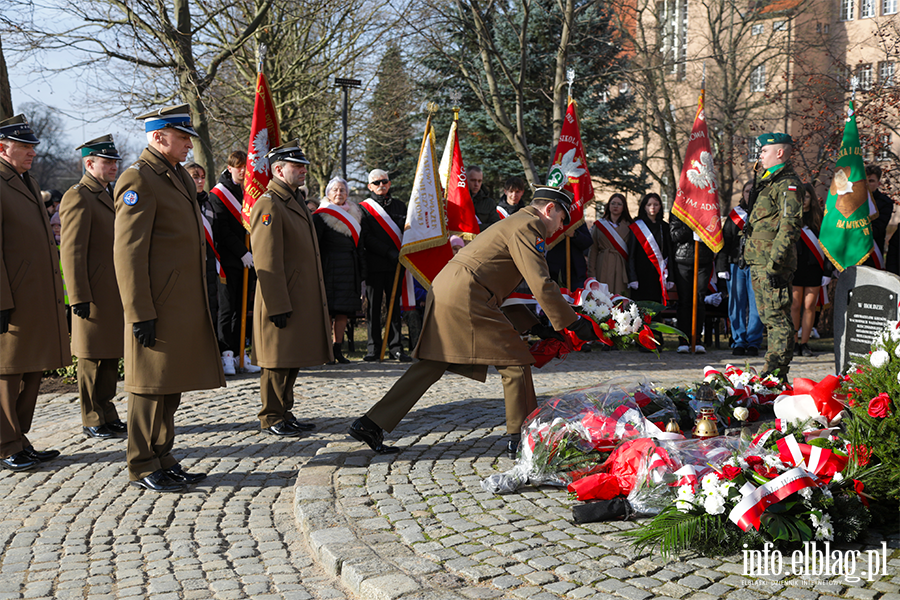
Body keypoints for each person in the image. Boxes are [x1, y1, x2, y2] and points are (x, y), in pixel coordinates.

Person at [348, 187, 598, 459]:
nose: (561, 226)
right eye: (562, 218)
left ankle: (370, 424)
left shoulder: (516, 223)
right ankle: (522, 436)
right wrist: (571, 324)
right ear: (549, 209)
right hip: (468, 293)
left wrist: (537, 327)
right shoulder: (530, 226)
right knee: (514, 360)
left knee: (433, 363)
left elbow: (504, 286)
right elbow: (541, 282)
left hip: (451, 288)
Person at [114, 104, 225, 492]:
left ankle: (163, 456)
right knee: (149, 387)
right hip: (156, 304)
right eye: (182, 139)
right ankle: (142, 463)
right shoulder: (139, 179)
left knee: (170, 385)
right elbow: (128, 253)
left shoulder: (174, 175)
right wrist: (139, 310)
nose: (188, 147)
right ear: (158, 137)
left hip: (180, 302)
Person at [249, 140, 332, 436]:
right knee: (276, 360)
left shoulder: (294, 200)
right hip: (280, 296)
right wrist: (277, 304)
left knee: (290, 357)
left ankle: (284, 410)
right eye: (297, 167)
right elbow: (267, 260)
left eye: (304, 166)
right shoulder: (269, 204)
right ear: (278, 170)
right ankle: (271, 415)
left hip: (296, 294)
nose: (303, 171)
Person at [0, 114, 68, 472]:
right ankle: (5, 443)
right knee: (8, 373)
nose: (31, 153)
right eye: (24, 147)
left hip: (35, 296)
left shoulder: (26, 181)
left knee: (32, 370)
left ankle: (20, 439)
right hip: (11, 298)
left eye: (32, 147)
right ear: (2, 147)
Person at [59, 134, 127, 440]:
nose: (114, 166)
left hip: (112, 291)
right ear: (89, 163)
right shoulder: (79, 196)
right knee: (91, 359)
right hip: (93, 292)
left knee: (110, 355)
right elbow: (71, 251)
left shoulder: (107, 193)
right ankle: (91, 416)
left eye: (115, 161)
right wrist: (78, 296)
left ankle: (107, 412)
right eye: (107, 161)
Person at [743, 132, 803, 380]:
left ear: (780, 153)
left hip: (771, 264)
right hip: (759, 261)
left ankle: (776, 374)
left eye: (764, 151)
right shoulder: (768, 182)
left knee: (778, 318)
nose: (760, 156)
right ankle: (771, 372)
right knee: (769, 317)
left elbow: (789, 227)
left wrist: (775, 264)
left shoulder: (788, 184)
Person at [313, 177, 365, 364]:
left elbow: (360, 246)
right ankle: (325, 350)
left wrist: (361, 270)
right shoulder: (319, 216)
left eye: (342, 190)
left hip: (349, 269)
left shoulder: (356, 214)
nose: (339, 193)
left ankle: (338, 349)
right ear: (328, 193)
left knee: (343, 311)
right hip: (327, 268)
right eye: (335, 190)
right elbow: (315, 246)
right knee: (327, 311)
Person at [360, 169, 410, 362]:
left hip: (396, 265)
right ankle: (373, 348)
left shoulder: (400, 205)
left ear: (389, 183)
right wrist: (389, 252)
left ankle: (396, 347)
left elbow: (408, 229)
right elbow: (367, 237)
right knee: (373, 307)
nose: (381, 185)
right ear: (369, 186)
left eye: (385, 181)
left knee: (394, 307)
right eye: (377, 182)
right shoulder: (363, 208)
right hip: (375, 263)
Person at [211, 150, 254, 375]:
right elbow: (223, 230)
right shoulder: (218, 194)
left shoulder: (249, 192)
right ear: (230, 168)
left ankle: (240, 353)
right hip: (228, 259)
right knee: (227, 309)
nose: (243, 171)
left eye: (246, 167)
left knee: (242, 309)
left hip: (247, 260)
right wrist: (241, 251)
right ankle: (226, 353)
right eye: (239, 167)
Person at [717, 181, 763, 356]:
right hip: (736, 264)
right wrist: (722, 266)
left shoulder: (764, 214)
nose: (749, 194)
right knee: (736, 304)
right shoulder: (734, 215)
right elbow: (725, 242)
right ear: (742, 194)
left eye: (753, 191)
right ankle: (738, 341)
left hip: (757, 265)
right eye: (746, 191)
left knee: (757, 305)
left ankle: (753, 342)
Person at [791, 183, 831, 357]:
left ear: (812, 199)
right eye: (800, 197)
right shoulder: (791, 217)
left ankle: (804, 343)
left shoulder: (819, 219)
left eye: (806, 196)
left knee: (809, 306)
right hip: (795, 268)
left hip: (814, 269)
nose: (804, 200)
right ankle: (792, 343)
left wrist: (828, 272)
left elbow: (829, 246)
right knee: (794, 305)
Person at [185, 161, 225, 334]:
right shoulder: (182, 203)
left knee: (210, 308)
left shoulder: (208, 204)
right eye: (195, 177)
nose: (200, 181)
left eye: (202, 177)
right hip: (190, 264)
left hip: (209, 262)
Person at [669, 211, 715, 354]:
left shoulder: (708, 207)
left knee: (699, 300)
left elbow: (715, 231)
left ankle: (697, 339)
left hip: (703, 260)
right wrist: (691, 227)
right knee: (685, 301)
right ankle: (683, 339)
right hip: (683, 260)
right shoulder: (678, 209)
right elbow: (675, 235)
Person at [627, 193, 674, 304]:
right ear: (644, 207)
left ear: (660, 207)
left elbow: (669, 253)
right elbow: (631, 255)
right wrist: (632, 277)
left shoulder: (664, 227)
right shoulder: (636, 226)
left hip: (658, 274)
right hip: (640, 274)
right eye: (649, 205)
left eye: (656, 204)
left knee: (656, 307)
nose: (652, 207)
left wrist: (671, 277)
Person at [588, 193, 633, 296]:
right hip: (603, 264)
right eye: (613, 203)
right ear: (608, 206)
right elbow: (593, 250)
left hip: (622, 266)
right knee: (602, 298)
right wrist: (592, 274)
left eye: (619, 204)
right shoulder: (600, 225)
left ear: (624, 207)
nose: (615, 206)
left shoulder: (630, 226)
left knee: (621, 297)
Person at [547, 222, 592, 290]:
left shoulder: (577, 220)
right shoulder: (551, 219)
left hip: (576, 271)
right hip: (554, 270)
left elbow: (588, 242)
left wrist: (575, 234)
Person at [867, 164, 895, 266]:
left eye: (871, 181)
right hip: (851, 253)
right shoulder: (851, 202)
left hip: (872, 254)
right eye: (864, 180)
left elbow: (878, 229)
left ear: (878, 183)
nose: (867, 183)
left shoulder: (885, 202)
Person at [468, 165, 500, 230]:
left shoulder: (489, 203)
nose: (476, 184)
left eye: (479, 181)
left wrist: (475, 228)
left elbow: (496, 225)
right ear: (465, 179)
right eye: (473, 180)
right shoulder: (457, 201)